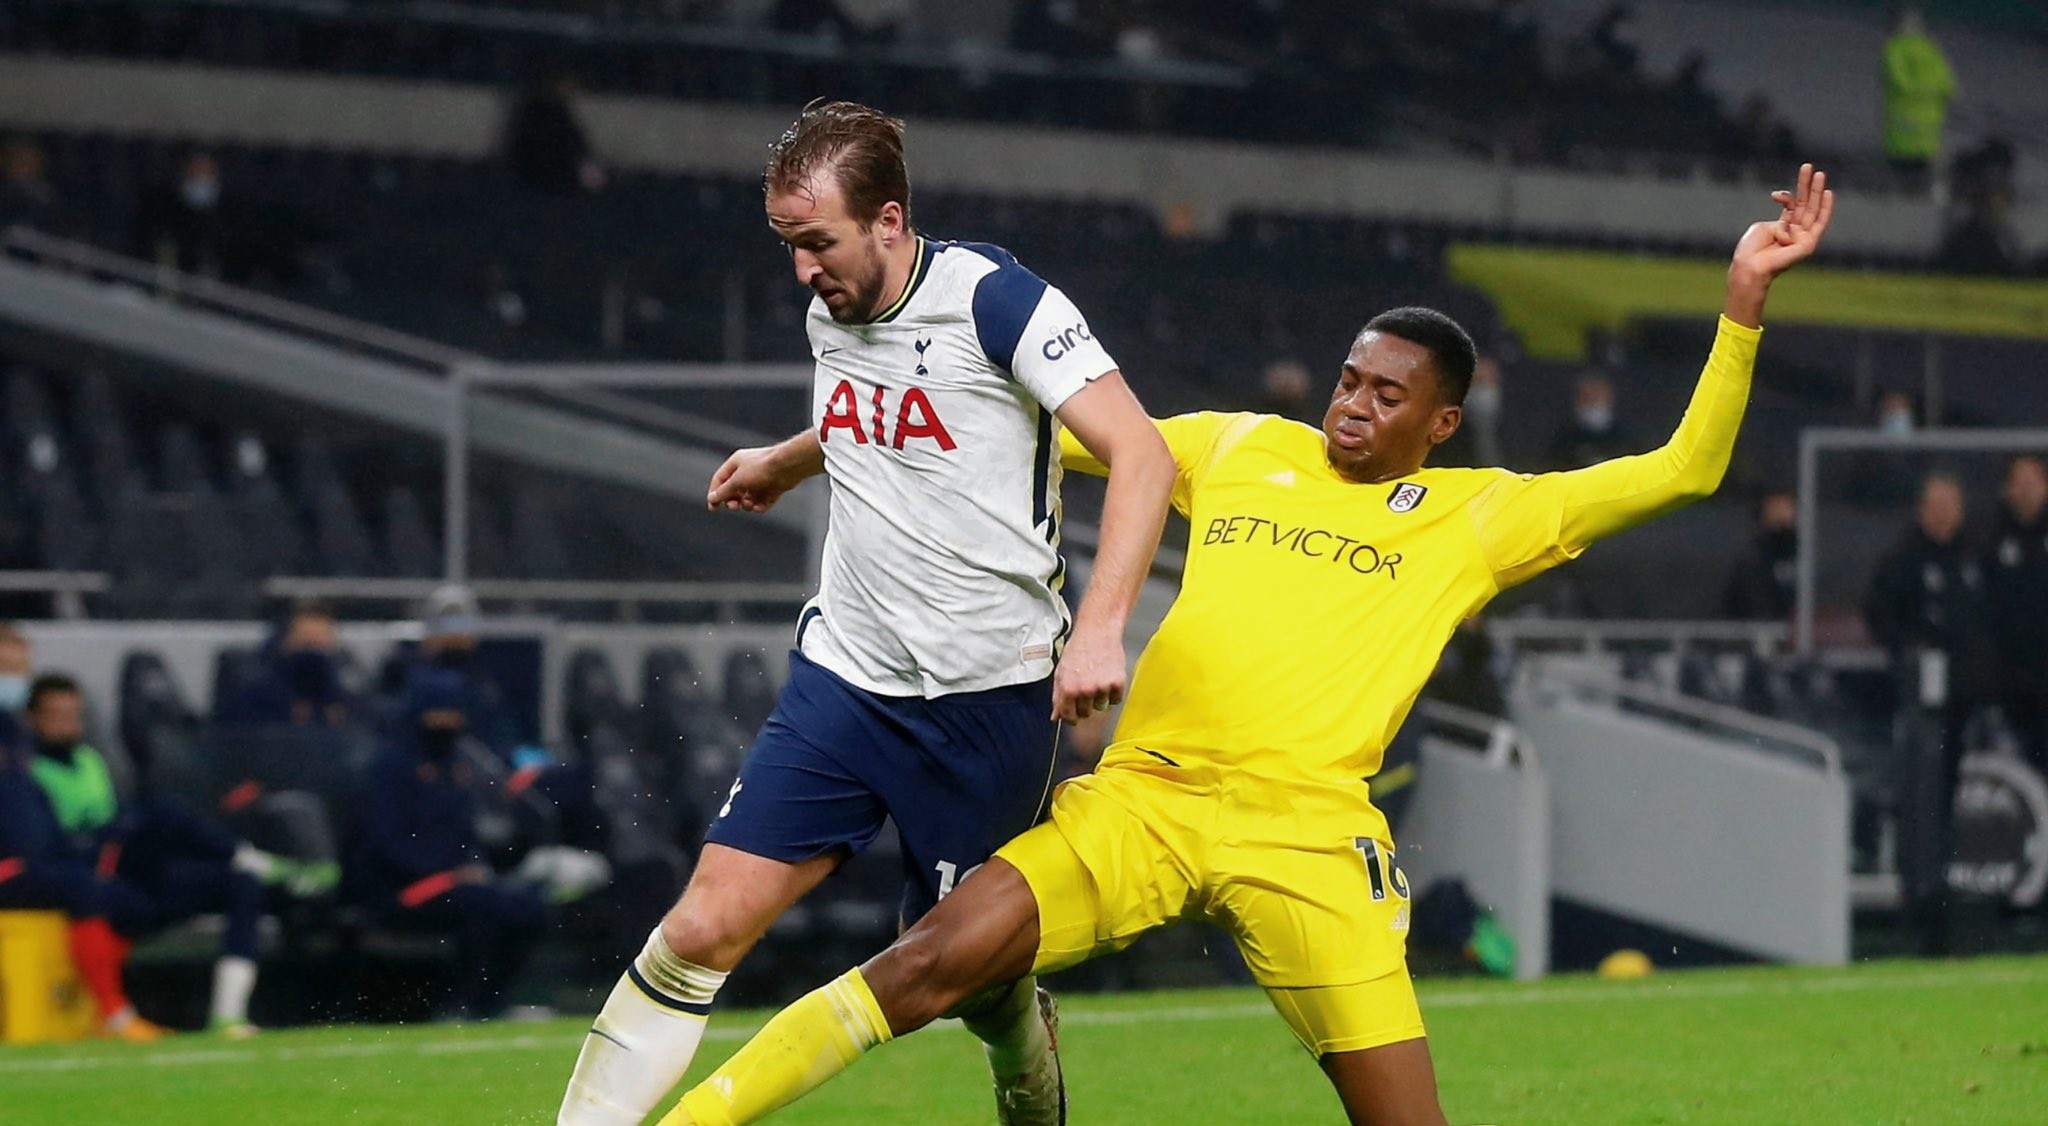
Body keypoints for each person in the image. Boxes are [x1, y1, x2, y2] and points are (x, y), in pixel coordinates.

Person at [652, 167, 1835, 1126]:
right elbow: (994, 417)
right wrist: (794, 453)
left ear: (1439, 421)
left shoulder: (1482, 515)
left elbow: (1686, 470)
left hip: (1306, 837)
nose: (1352, 405)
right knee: (926, 961)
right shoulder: (1238, 445)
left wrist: (1741, 303)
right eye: (1347, 379)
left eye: (1385, 395)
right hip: (1146, 804)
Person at [556, 100, 1176, 1126]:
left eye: (816, 242)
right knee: (703, 924)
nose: (801, 270)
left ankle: (1024, 1048)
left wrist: (1103, 627)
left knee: (961, 975)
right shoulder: (830, 309)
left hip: (986, 701)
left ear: (887, 221)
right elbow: (872, 403)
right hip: (844, 680)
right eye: (786, 245)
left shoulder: (998, 302)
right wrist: (789, 458)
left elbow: (1142, 454)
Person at [20, 674, 328, 1037]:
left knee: (241, 883)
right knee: (163, 812)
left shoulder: (89, 761)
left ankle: (228, 1015)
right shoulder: (26, 772)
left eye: (73, 714)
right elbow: (48, 839)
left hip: (129, 869)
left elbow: (112, 814)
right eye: (56, 715)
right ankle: (249, 856)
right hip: (87, 868)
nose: (67, 723)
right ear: (32, 720)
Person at [353, 668, 547, 1021]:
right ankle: (459, 1004)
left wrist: (477, 864)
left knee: (528, 905)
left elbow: (465, 832)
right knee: (480, 910)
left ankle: (491, 1002)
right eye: (438, 712)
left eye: (453, 713)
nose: (447, 722)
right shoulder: (390, 766)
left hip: (457, 880)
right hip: (405, 887)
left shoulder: (458, 765)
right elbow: (382, 843)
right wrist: (444, 870)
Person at [1863, 472, 1991, 953]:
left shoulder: (1975, 557)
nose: (1943, 513)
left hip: (1970, 702)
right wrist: (1909, 651)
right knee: (1920, 800)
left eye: (1950, 504)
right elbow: (1879, 613)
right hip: (1922, 705)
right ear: (1922, 508)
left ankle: (1950, 896)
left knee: (1951, 803)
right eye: (1935, 504)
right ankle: (1920, 902)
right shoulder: (1903, 560)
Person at [1984, 455, 2048, 775]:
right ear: (2007, 489)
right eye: (2018, 483)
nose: (2025, 491)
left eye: (2032, 483)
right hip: (2007, 682)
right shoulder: (1989, 540)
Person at [224, 601, 354, 727]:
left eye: (319, 644)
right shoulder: (254, 693)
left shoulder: (346, 695)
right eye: (306, 643)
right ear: (285, 641)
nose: (312, 655)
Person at [1880, 6, 1954, 193]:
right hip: (1905, 128)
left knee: (1923, 162)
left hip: (1925, 128)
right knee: (1904, 164)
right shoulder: (1896, 48)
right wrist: (1929, 92)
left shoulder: (1927, 48)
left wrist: (1943, 91)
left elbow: (1944, 75)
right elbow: (1899, 79)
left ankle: (1923, 189)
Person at [1722, 489, 1799, 620]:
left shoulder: (1805, 554)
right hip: (1757, 631)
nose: (1783, 526)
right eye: (1778, 523)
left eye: (1787, 523)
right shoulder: (1751, 562)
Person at [1547, 371, 1631, 469]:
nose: (1593, 402)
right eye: (1587, 397)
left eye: (1597, 397)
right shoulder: (1565, 440)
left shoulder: (1625, 439)